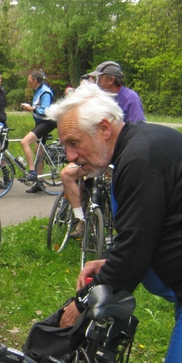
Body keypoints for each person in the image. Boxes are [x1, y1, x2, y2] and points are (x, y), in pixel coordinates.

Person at [48, 83, 182, 363]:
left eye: (74, 143)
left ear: (104, 128)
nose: (70, 156)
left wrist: (80, 303)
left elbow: (132, 254)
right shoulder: (137, 149)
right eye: (65, 146)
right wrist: (108, 263)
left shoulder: (139, 159)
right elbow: (151, 233)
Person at [62, 62, 146, 237]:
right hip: (97, 155)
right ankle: (81, 219)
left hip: (117, 157)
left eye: (99, 77)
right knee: (67, 174)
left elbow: (138, 128)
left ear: (110, 79)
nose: (96, 81)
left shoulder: (130, 98)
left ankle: (116, 224)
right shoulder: (98, 98)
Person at [19, 70, 56, 193]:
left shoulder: (45, 92)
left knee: (25, 142)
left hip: (47, 122)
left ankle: (32, 172)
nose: (28, 83)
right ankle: (40, 184)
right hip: (41, 122)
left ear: (35, 81)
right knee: (38, 152)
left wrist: (31, 109)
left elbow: (45, 110)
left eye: (29, 81)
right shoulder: (38, 91)